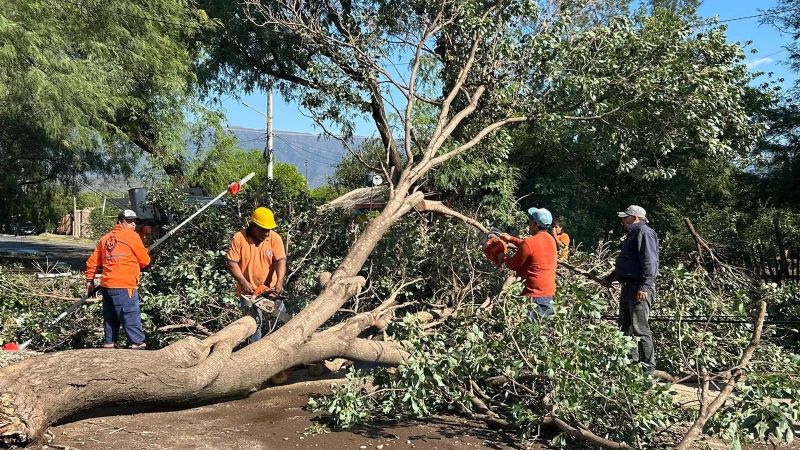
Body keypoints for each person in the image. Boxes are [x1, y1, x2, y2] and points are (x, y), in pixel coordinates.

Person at [604, 205, 659, 374]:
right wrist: (610, 278)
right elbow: (628, 263)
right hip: (628, 287)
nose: (623, 221)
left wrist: (645, 286)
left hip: (639, 288)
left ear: (635, 218)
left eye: (625, 217)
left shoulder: (644, 233)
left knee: (640, 329)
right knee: (625, 327)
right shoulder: (632, 235)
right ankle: (630, 366)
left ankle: (647, 369)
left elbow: (651, 262)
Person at [85, 209, 151, 349]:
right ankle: (137, 343)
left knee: (110, 317)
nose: (133, 224)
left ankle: (109, 343)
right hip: (124, 285)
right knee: (130, 314)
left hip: (107, 286)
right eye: (129, 221)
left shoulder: (105, 238)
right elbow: (145, 261)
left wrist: (89, 280)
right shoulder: (131, 236)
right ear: (121, 221)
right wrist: (144, 252)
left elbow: (92, 261)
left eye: (134, 221)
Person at [226, 206, 287, 343]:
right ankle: (254, 354)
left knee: (282, 320)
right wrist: (243, 282)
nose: (267, 233)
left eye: (269, 229)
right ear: (254, 225)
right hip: (249, 293)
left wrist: (279, 282)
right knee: (254, 327)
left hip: (271, 291)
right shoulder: (239, 238)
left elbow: (281, 260)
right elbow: (231, 263)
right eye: (264, 230)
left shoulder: (274, 238)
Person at [498, 207, 558, 318]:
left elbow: (513, 264)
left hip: (533, 296)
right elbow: (528, 246)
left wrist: (503, 257)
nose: (529, 222)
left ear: (535, 223)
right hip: (548, 295)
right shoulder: (551, 240)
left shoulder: (530, 243)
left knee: (529, 329)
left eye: (531, 219)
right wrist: (510, 238)